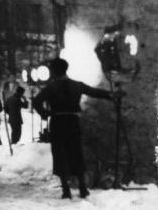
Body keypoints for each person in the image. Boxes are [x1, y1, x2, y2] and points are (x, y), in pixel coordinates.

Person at [33, 57, 115, 199]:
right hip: (72, 122)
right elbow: (94, 92)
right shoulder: (76, 85)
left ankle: (66, 190)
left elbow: (36, 101)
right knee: (76, 154)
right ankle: (83, 189)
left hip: (58, 122)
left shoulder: (51, 87)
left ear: (53, 71)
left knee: (60, 155)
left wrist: (44, 114)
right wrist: (111, 95)